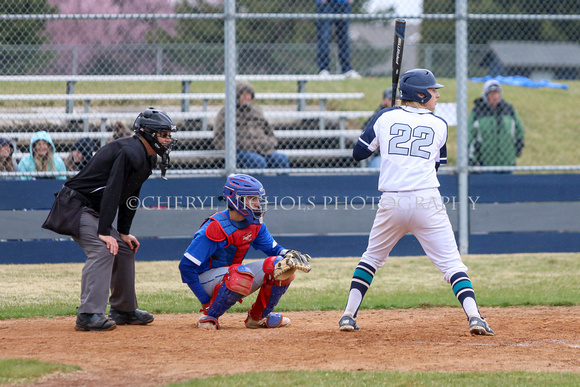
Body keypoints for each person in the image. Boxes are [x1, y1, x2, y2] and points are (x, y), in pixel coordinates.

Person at [339, 69, 494, 336]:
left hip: (392, 200)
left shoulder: (385, 116)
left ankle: (348, 316)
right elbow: (437, 166)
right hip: (426, 199)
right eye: (433, 91)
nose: (437, 95)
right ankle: (475, 317)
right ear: (420, 95)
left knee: (372, 258)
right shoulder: (439, 124)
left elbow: (358, 153)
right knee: (452, 265)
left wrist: (384, 124)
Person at [63, 107, 176, 331]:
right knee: (103, 248)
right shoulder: (130, 151)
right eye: (163, 134)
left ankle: (123, 310)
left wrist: (123, 231)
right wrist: (105, 231)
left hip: (93, 210)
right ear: (148, 134)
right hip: (75, 206)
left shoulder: (146, 157)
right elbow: (113, 190)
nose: (168, 139)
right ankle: (88, 314)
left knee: (123, 248)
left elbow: (130, 194)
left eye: (168, 134)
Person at [178, 174, 311, 330]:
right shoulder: (215, 226)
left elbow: (274, 249)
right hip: (206, 279)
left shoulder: (255, 222)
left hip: (233, 274)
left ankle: (257, 318)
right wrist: (204, 300)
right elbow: (186, 267)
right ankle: (209, 315)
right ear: (236, 200)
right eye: (252, 199)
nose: (258, 203)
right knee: (240, 274)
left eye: (258, 198)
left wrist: (289, 254)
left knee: (281, 266)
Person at [213, 82, 290, 169]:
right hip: (241, 151)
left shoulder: (257, 111)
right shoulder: (226, 112)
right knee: (258, 162)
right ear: (236, 96)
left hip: (262, 149)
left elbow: (270, 133)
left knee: (281, 159)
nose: (247, 97)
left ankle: (281, 183)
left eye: (249, 94)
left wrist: (269, 143)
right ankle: (255, 183)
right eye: (243, 94)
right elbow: (218, 138)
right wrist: (237, 146)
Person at [468, 80, 525, 167]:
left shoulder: (508, 109)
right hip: (484, 163)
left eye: (497, 93)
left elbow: (519, 129)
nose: (495, 96)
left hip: (507, 162)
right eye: (491, 93)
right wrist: (472, 160)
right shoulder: (477, 112)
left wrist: (518, 148)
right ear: (486, 95)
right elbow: (469, 135)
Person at [315, 0, 361, 79]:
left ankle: (347, 70)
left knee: (344, 38)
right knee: (323, 37)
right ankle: (324, 69)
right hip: (325, 4)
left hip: (343, 3)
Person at [362, 88, 395, 168]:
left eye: (397, 99)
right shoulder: (376, 117)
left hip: (397, 155)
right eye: (391, 99)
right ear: (384, 101)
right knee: (378, 165)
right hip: (379, 155)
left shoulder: (403, 115)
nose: (394, 102)